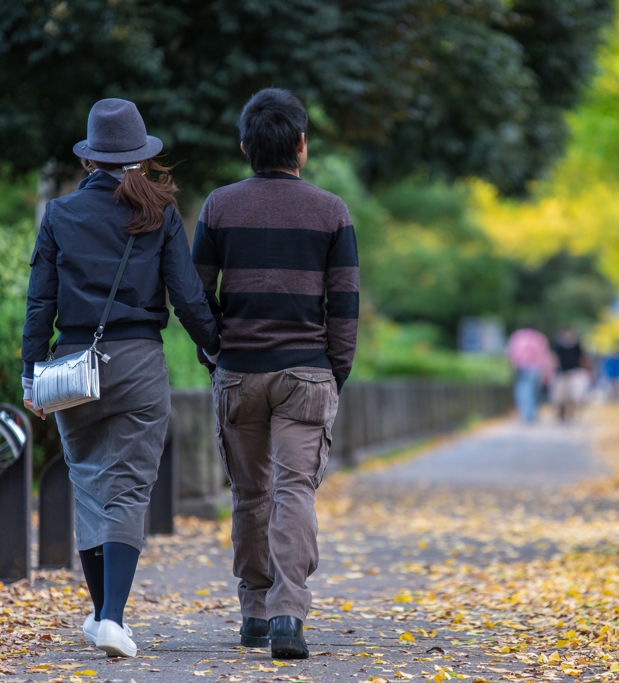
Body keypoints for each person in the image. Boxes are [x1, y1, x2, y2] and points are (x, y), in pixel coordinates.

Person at [21, 99, 221, 659]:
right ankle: (111, 617)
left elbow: (40, 301)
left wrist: (30, 373)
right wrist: (216, 346)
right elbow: (187, 296)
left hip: (72, 365)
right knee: (129, 488)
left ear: (89, 159)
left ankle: (103, 617)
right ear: (138, 157)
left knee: (88, 485)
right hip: (136, 362)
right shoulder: (159, 211)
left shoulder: (59, 214)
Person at [191, 88, 359, 660]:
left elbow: (196, 295)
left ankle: (254, 611)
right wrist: (334, 371)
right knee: (294, 491)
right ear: (302, 147)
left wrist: (215, 349)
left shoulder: (218, 206)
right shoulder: (331, 211)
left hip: (239, 374)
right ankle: (290, 615)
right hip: (306, 373)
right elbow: (345, 305)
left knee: (249, 494)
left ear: (246, 146)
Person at [506, 328, 553, 423]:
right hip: (536, 368)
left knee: (522, 390)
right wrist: (547, 372)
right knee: (534, 391)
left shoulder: (517, 336)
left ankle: (526, 413)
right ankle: (532, 413)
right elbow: (545, 356)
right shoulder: (539, 337)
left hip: (521, 367)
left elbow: (509, 353)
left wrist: (511, 366)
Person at [551, 330, 591, 422]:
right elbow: (555, 359)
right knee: (560, 397)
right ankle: (562, 415)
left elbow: (582, 358)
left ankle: (571, 415)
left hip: (575, 372)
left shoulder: (577, 346)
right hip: (562, 373)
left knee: (575, 396)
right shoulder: (559, 347)